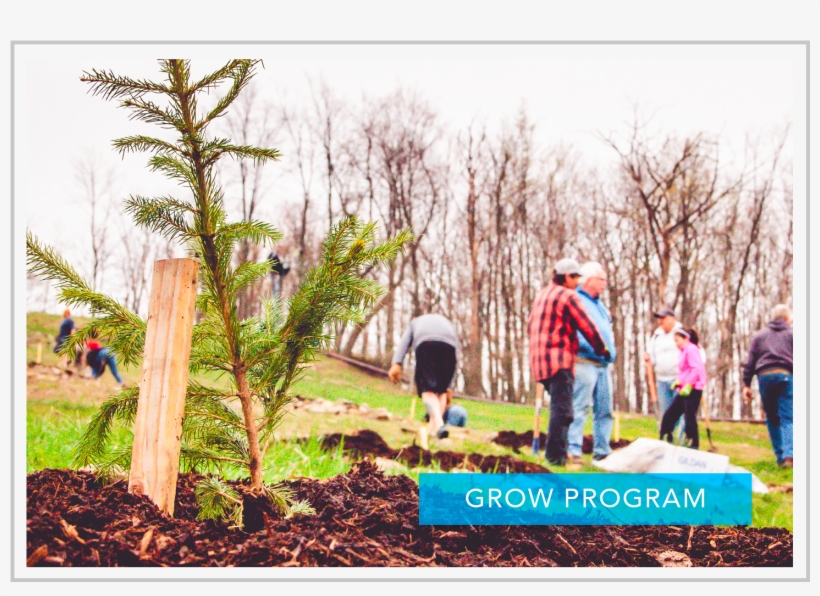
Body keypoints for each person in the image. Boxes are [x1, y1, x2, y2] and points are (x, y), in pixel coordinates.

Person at [528, 257, 610, 467]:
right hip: (559, 361)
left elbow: (531, 325)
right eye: (575, 277)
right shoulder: (567, 296)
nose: (577, 282)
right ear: (566, 277)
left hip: (540, 363)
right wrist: (603, 350)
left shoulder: (542, 294)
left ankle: (556, 455)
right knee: (563, 411)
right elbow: (587, 326)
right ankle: (557, 458)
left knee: (559, 408)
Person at [567, 262, 617, 462]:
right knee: (579, 407)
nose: (605, 284)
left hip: (603, 365)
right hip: (584, 362)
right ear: (589, 280)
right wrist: (591, 347)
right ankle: (573, 449)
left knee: (604, 411)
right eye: (602, 279)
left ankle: (602, 451)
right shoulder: (577, 299)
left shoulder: (600, 305)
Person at [388, 314, 460, 439]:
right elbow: (456, 351)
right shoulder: (447, 323)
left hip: (426, 343)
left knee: (427, 389)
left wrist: (397, 362)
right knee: (441, 391)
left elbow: (404, 342)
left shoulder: (414, 323)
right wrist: (450, 385)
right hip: (449, 347)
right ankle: (435, 429)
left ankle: (438, 424)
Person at [742, 304, 793, 468]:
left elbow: (750, 362)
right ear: (786, 318)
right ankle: (789, 456)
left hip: (764, 377)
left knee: (772, 417)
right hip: (784, 374)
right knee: (787, 416)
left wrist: (746, 384)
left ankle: (779, 456)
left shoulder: (760, 336)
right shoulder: (792, 334)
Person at [659, 328, 706, 449]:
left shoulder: (692, 349)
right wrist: (678, 381)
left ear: (686, 339)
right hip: (683, 389)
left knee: (689, 416)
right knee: (670, 414)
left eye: (677, 340)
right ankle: (665, 435)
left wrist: (689, 384)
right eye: (674, 341)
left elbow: (697, 369)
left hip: (693, 388)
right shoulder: (682, 351)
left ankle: (693, 443)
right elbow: (684, 370)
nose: (676, 344)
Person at [644, 307, 685, 443]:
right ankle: (668, 439)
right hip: (662, 380)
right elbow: (651, 357)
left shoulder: (681, 334)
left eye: (664, 318)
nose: (661, 321)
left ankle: (682, 440)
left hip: (679, 379)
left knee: (679, 411)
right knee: (666, 413)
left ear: (672, 318)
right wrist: (648, 358)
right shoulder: (656, 336)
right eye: (659, 319)